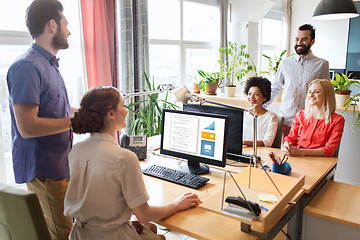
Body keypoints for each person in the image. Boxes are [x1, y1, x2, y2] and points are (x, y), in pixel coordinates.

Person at [64, 86, 199, 240]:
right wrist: (176, 205)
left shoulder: (76, 150)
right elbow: (144, 215)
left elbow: (98, 200)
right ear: (111, 113)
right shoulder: (124, 158)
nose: (126, 110)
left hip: (81, 234)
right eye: (122, 105)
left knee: (151, 229)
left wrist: (121, 222)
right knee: (159, 236)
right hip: (112, 236)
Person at [6, 0, 75, 239]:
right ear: (52, 25)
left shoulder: (49, 64)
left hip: (60, 166)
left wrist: (83, 112)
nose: (69, 30)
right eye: (66, 24)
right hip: (45, 170)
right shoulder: (27, 66)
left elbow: (54, 110)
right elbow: (27, 126)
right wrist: (73, 122)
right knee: (62, 236)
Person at [267, 24, 330, 139]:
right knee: (284, 154)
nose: (299, 42)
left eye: (304, 39)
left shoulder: (322, 65)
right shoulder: (285, 63)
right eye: (297, 39)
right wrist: (261, 106)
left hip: (310, 122)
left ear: (312, 42)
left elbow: (326, 94)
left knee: (305, 155)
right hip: (286, 121)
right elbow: (275, 89)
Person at [281, 79, 345, 157]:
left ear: (326, 95)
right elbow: (291, 137)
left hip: (319, 161)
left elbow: (329, 150)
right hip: (297, 157)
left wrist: (301, 152)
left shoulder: (337, 120)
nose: (311, 95)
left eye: (316, 92)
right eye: (310, 92)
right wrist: (286, 145)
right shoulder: (300, 114)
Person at [243, 76, 278, 147]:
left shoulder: (271, 117)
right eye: (249, 94)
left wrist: (244, 143)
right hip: (242, 152)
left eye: (256, 94)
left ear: (264, 98)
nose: (251, 97)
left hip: (260, 153)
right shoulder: (243, 113)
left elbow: (267, 142)